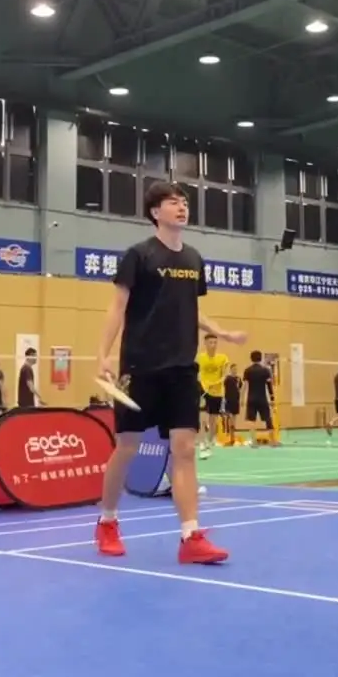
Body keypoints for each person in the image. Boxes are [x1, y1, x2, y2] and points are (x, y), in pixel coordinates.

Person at [94, 180, 246, 563]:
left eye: (184, 202)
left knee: (184, 449)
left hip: (181, 368)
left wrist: (221, 332)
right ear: (155, 212)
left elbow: (190, 309)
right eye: (173, 202)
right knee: (127, 447)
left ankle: (190, 536)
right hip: (139, 366)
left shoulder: (194, 259)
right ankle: (107, 521)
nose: (182, 208)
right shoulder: (139, 255)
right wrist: (103, 355)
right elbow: (117, 306)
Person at [197, 332, 229, 460]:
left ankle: (209, 443)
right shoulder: (200, 358)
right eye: (210, 342)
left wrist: (217, 382)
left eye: (215, 342)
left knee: (213, 420)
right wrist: (202, 383)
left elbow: (225, 374)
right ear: (205, 343)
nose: (213, 345)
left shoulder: (223, 358)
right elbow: (197, 374)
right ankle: (202, 443)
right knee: (202, 418)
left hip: (217, 392)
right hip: (204, 391)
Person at [242, 350, 274, 446]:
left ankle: (254, 441)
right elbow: (269, 385)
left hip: (251, 398)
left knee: (251, 419)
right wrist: (272, 398)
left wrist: (241, 398)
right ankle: (272, 441)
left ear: (251, 358)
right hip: (262, 398)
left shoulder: (247, 370)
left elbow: (245, 385)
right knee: (268, 418)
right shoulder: (265, 370)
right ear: (261, 358)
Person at [223, 363, 242, 445]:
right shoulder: (227, 378)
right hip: (228, 400)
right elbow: (223, 387)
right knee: (230, 418)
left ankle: (233, 437)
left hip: (236, 401)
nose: (235, 370)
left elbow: (239, 388)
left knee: (234, 418)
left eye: (236, 369)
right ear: (231, 370)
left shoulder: (238, 379)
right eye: (233, 369)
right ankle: (229, 436)